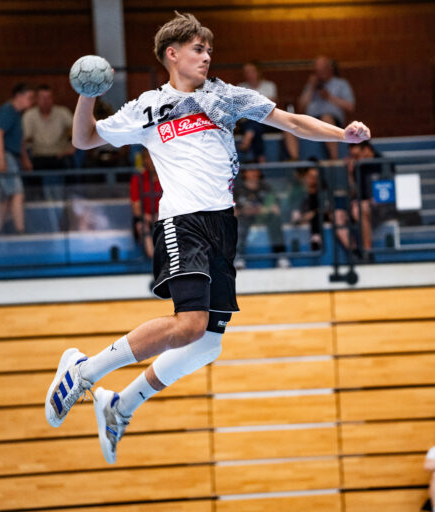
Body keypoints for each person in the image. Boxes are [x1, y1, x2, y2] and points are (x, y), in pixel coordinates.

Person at [49, 11, 371, 464]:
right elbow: (83, 140)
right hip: (183, 220)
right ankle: (84, 372)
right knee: (190, 325)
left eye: (209, 50)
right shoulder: (148, 107)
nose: (206, 57)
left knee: (207, 343)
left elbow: (292, 121)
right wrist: (87, 96)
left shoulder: (226, 96)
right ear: (172, 54)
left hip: (223, 224)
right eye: (198, 49)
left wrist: (343, 135)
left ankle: (120, 405)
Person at [0, 83, 35, 234]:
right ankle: (20, 230)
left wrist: (24, 158)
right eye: (29, 97)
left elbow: (20, 140)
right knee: (17, 192)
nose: (31, 101)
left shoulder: (17, 114)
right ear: (18, 96)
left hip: (11, 155)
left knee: (7, 195)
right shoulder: (8, 110)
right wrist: (1, 159)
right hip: (4, 155)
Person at [287, 55, 355, 160]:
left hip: (333, 121)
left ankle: (334, 158)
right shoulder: (311, 84)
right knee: (288, 124)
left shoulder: (341, 84)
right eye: (317, 71)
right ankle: (295, 160)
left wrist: (329, 97)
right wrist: (311, 87)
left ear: (330, 69)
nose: (319, 74)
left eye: (322, 70)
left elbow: (350, 107)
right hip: (311, 120)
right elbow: (301, 107)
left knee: (326, 118)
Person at [22, 84, 75, 204]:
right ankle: (36, 204)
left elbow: (78, 129)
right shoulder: (29, 115)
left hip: (60, 155)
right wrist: (25, 159)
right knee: (29, 173)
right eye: (42, 98)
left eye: (48, 97)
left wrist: (72, 148)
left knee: (73, 170)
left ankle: (71, 201)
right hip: (39, 156)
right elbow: (22, 140)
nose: (45, 101)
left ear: (53, 99)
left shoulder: (62, 112)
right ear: (37, 100)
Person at [233, 165, 290, 269]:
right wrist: (248, 210)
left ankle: (281, 256)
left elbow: (275, 208)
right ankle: (239, 258)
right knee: (238, 224)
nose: (253, 173)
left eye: (255, 170)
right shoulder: (238, 189)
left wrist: (261, 209)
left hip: (263, 217)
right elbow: (234, 210)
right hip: (244, 217)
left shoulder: (265, 187)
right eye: (250, 170)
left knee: (275, 220)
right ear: (244, 173)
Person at [237, 61, 278, 162]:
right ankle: (260, 156)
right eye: (246, 72)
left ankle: (247, 139)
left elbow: (270, 107)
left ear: (258, 72)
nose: (249, 74)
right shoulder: (240, 87)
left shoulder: (269, 86)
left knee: (254, 125)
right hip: (246, 121)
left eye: (251, 71)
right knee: (254, 125)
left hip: (267, 121)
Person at [130, 148, 162, 259]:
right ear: (143, 160)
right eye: (147, 158)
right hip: (145, 219)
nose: (150, 161)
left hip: (164, 217)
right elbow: (136, 208)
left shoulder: (166, 178)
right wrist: (147, 217)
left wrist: (159, 216)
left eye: (152, 157)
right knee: (141, 226)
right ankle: (154, 257)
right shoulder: (137, 179)